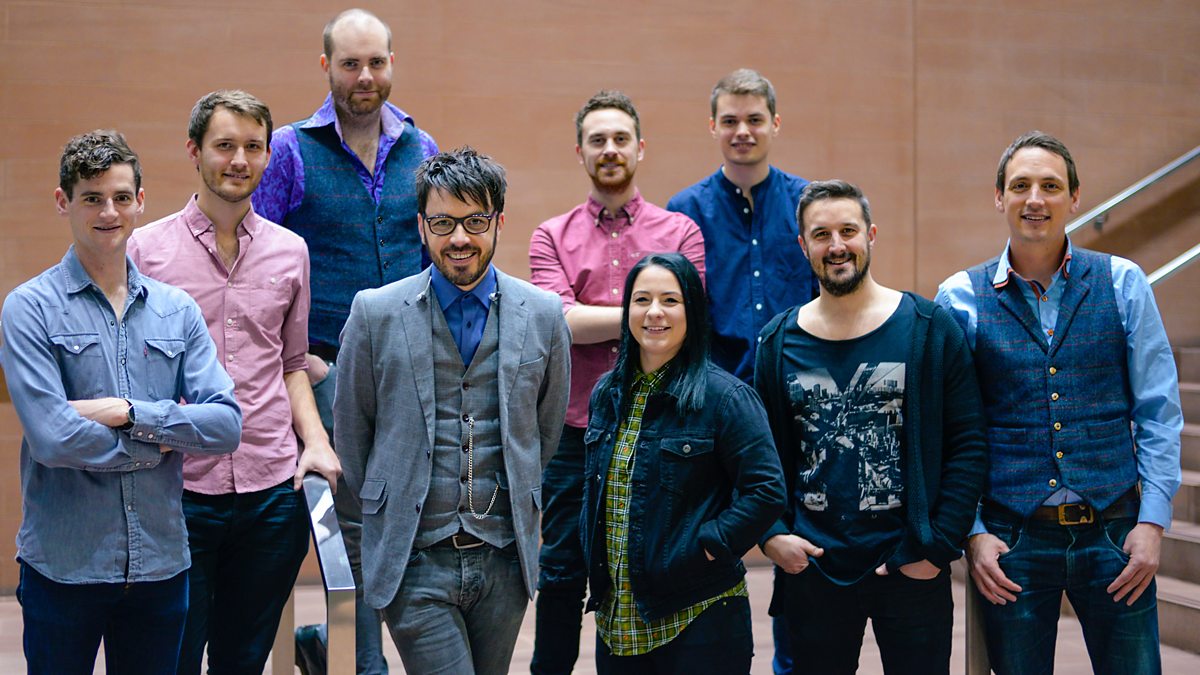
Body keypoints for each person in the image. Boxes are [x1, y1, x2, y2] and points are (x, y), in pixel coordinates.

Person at [936, 130, 1183, 674]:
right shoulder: (959, 296)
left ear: (1074, 198)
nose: (1035, 199)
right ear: (999, 197)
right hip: (1012, 539)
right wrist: (973, 532)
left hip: (1115, 530)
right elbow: (951, 429)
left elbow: (1158, 410)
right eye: (1020, 185)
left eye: (1050, 186)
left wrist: (1153, 522)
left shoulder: (1123, 282)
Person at [0, 130, 243, 673]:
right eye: (92, 198)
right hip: (64, 568)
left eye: (121, 197)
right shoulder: (29, 308)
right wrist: (160, 442)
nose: (109, 212)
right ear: (63, 201)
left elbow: (226, 425)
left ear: (140, 201)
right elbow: (52, 439)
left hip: (160, 566)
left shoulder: (177, 310)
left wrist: (129, 413)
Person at [127, 90, 342, 674]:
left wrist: (316, 442)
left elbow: (292, 363)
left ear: (269, 154)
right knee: (172, 657)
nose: (239, 160)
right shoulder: (146, 251)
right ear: (194, 151)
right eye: (225, 145)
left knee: (243, 661)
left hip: (270, 490)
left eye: (253, 146)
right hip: (178, 488)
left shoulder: (290, 252)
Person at [335, 147, 571, 674]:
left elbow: (544, 430)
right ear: (422, 226)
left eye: (475, 221)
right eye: (443, 222)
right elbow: (352, 433)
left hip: (505, 559)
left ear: (498, 222)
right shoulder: (375, 313)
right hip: (414, 558)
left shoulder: (544, 314)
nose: (459, 238)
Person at [251, 8, 438, 672]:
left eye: (376, 63)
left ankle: (329, 646)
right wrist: (293, 356)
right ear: (326, 65)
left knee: (399, 525)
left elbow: (434, 254)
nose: (365, 77)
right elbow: (258, 256)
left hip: (407, 371)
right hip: (324, 371)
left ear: (392, 64)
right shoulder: (288, 149)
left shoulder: (422, 147)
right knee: (348, 529)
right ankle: (363, 663)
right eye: (351, 63)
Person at [756, 180, 987, 674]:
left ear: (871, 235)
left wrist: (935, 548)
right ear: (803, 245)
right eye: (821, 235)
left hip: (910, 566)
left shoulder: (928, 328)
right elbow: (759, 457)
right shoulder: (777, 342)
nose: (836, 246)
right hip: (814, 567)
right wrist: (773, 535)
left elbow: (968, 444)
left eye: (848, 231)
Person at [528, 89, 705, 674]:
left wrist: (595, 314)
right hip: (574, 433)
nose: (610, 149)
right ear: (579, 151)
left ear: (640, 148)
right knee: (560, 573)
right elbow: (559, 322)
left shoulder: (680, 231)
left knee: (650, 565)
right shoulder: (550, 235)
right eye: (597, 139)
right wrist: (651, 311)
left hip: (662, 428)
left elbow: (689, 318)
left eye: (620, 138)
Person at [580, 252, 784, 674]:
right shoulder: (606, 394)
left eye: (670, 300)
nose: (654, 312)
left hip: (699, 613)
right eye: (642, 300)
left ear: (692, 310)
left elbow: (766, 491)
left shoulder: (725, 397)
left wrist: (708, 544)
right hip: (618, 617)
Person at [667, 68, 819, 383]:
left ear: (775, 124)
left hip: (801, 377)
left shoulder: (808, 203)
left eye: (754, 120)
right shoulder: (685, 210)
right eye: (729, 121)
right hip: (715, 385)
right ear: (713, 126)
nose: (742, 131)